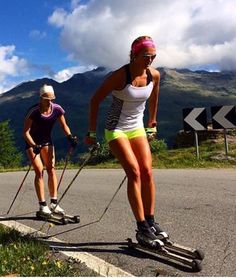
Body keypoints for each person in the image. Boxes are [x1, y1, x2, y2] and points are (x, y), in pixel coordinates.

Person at [85, 36, 167, 248]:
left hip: (137, 128)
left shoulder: (154, 75)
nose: (150, 60)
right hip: (116, 129)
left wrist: (152, 121)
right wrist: (91, 133)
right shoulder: (120, 76)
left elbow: (154, 98)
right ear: (134, 55)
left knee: (147, 171)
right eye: (146, 56)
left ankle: (150, 221)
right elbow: (94, 100)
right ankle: (141, 228)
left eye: (153, 56)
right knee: (134, 172)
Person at [23, 84, 77, 217]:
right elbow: (25, 132)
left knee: (51, 169)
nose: (50, 101)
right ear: (41, 98)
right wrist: (34, 145)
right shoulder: (34, 111)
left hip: (47, 141)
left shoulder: (57, 109)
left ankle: (54, 202)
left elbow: (64, 125)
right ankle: (42, 205)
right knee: (39, 170)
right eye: (47, 99)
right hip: (32, 143)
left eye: (52, 99)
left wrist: (70, 136)